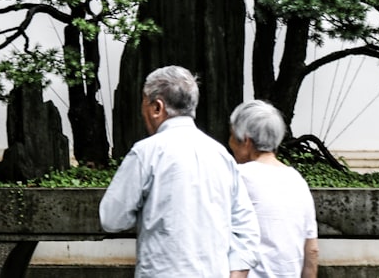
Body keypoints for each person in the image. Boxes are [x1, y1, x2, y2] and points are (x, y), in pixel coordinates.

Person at [99, 65, 260, 278]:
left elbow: (111, 219)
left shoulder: (146, 153)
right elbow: (246, 227)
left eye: (143, 103)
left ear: (157, 107)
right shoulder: (221, 156)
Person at [229, 100, 319, 278]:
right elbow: (312, 251)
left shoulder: (237, 177)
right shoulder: (297, 180)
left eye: (231, 136)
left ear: (246, 141)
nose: (230, 143)